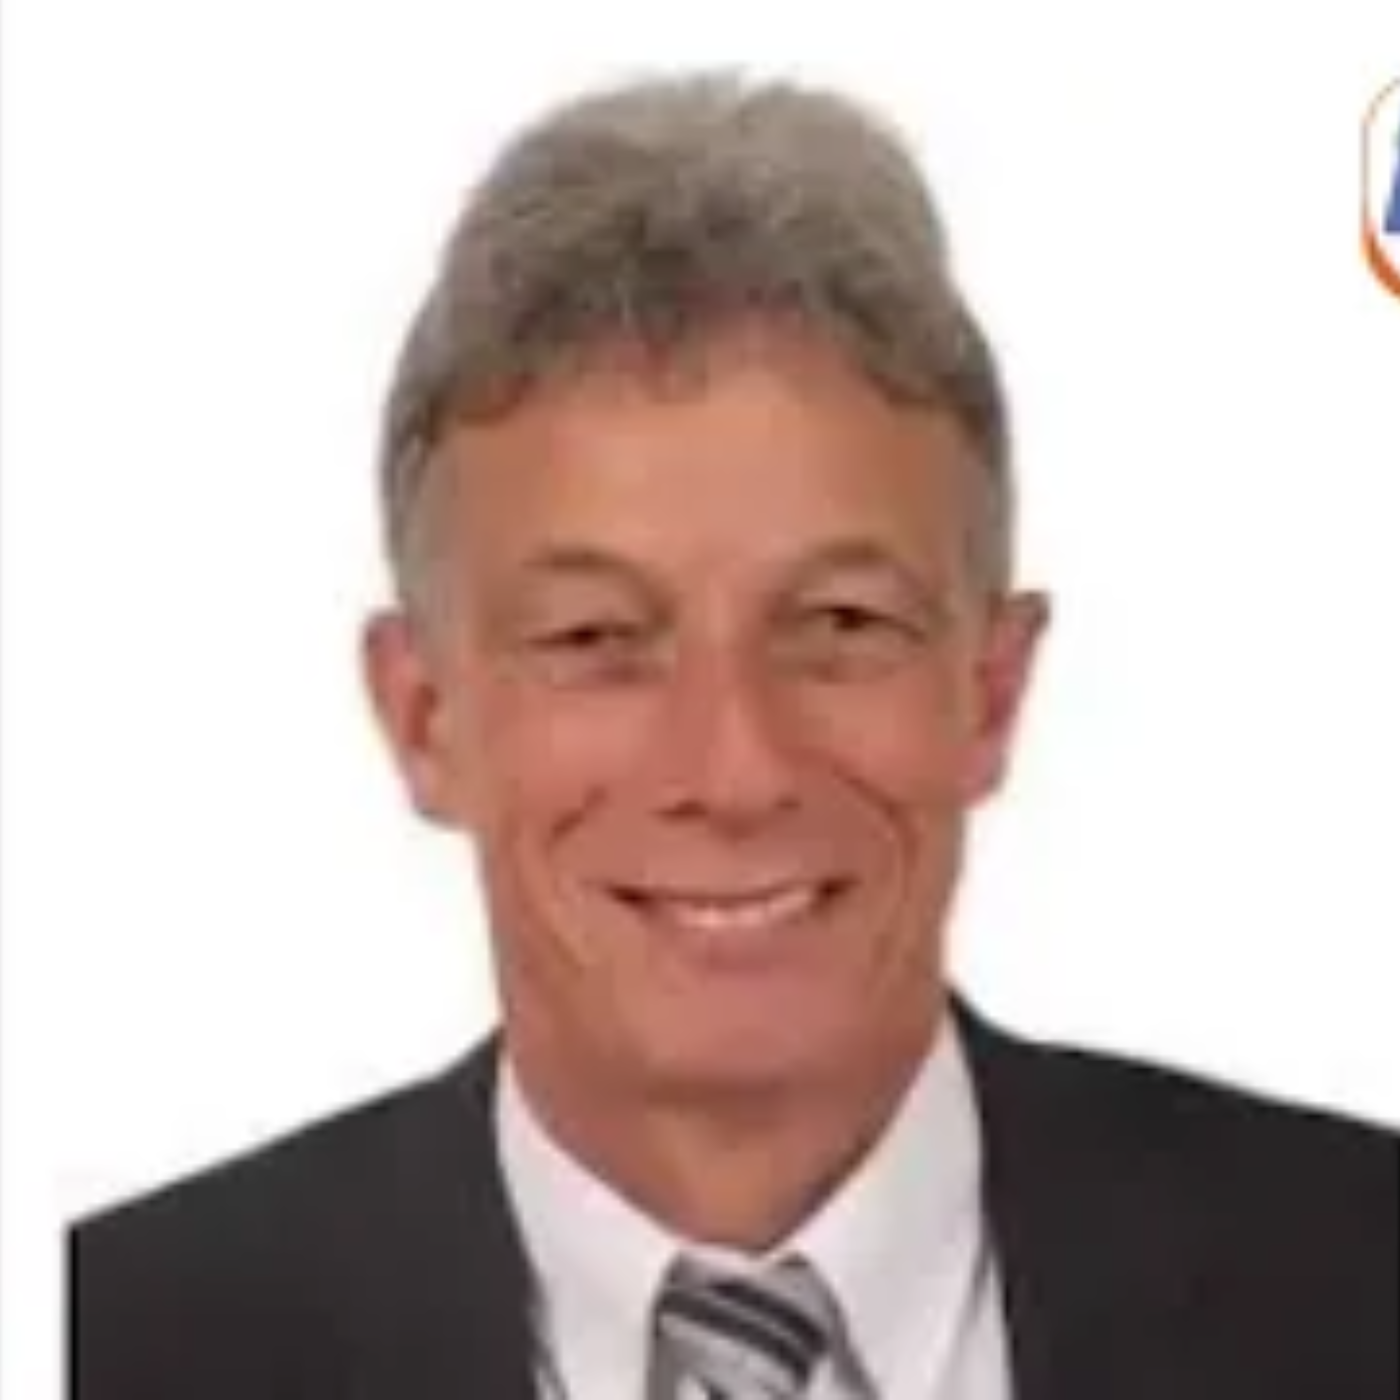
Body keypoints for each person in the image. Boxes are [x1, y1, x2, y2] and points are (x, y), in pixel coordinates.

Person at [70, 71, 1397, 1400]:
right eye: (596, 638)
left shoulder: (1362, 1277)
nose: (736, 770)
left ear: (991, 692)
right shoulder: (105, 1344)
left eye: (841, 623)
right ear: (424, 718)